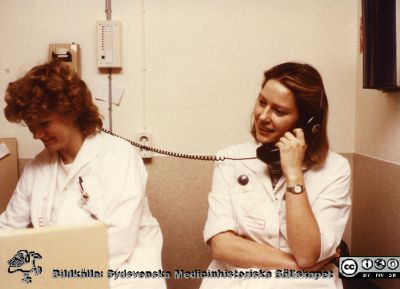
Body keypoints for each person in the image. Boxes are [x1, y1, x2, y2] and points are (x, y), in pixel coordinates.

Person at [0, 60, 166, 289]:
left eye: (45, 124)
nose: (37, 134)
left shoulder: (118, 155)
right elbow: (7, 230)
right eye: (31, 126)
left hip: (124, 277)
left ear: (71, 111)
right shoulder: (37, 168)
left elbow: (119, 242)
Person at [200, 62, 351, 289]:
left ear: (309, 123)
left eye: (279, 111)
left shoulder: (336, 169)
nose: (263, 116)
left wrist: (293, 175)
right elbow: (222, 245)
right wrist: (299, 266)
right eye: (262, 103)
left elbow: (307, 252)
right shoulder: (229, 159)